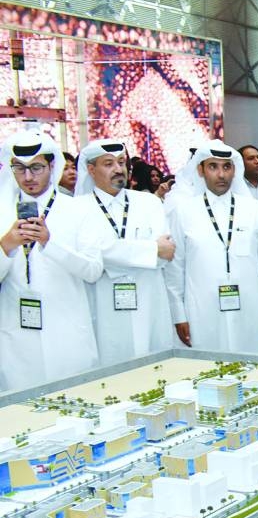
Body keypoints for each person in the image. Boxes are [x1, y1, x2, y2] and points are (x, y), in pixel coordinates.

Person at [0, 131, 102, 390]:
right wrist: (6, 246)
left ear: (52, 165)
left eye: (36, 167)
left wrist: (49, 243)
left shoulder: (78, 210)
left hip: (66, 332)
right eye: (19, 168)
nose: (28, 177)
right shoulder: (2, 211)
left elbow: (93, 271)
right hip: (17, 337)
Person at [164, 140, 258, 354]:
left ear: (234, 170)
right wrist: (178, 314)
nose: (221, 174)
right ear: (200, 170)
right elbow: (175, 269)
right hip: (201, 309)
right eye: (213, 167)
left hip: (251, 306)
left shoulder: (253, 209)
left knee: (253, 367)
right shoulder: (184, 212)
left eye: (226, 167)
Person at [74, 139, 175, 367]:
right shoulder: (78, 208)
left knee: (155, 368)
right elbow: (90, 256)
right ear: (91, 170)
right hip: (103, 304)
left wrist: (111, 256)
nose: (118, 169)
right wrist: (149, 249)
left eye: (121, 162)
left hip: (148, 301)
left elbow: (165, 254)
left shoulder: (149, 202)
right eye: (108, 164)